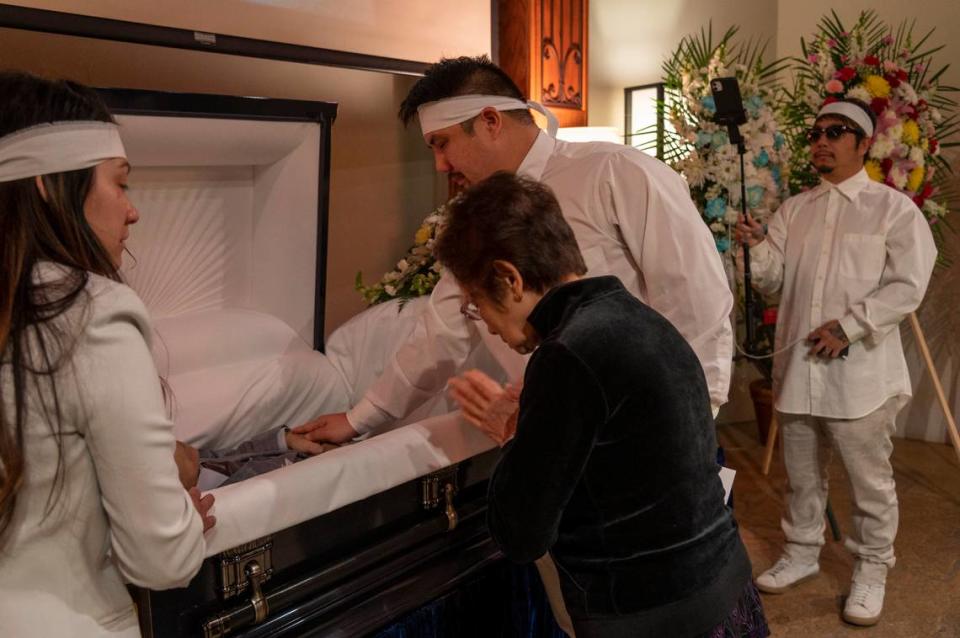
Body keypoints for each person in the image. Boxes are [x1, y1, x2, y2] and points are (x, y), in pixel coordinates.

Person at [293, 55, 733, 445]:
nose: (440, 166)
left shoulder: (616, 173)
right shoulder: (476, 219)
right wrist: (358, 419)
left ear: (489, 121)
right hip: (556, 438)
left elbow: (695, 302)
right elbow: (438, 336)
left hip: (649, 426)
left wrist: (691, 421)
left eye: (441, 143)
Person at [436, 172, 767, 638]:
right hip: (725, 589)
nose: (486, 325)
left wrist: (513, 439)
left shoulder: (567, 354)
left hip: (653, 616)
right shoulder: (640, 317)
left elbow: (520, 534)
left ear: (508, 279)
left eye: (475, 304)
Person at [0, 71, 214, 637]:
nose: (132, 210)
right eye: (120, 183)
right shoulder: (91, 312)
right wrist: (183, 521)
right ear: (49, 185)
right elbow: (160, 559)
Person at [736, 98, 936, 626]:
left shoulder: (893, 210)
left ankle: (872, 566)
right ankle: (802, 551)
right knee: (801, 475)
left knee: (869, 480)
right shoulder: (794, 210)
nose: (822, 139)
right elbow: (773, 280)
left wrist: (849, 326)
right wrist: (757, 246)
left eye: (837, 131)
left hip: (862, 376)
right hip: (799, 370)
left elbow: (909, 284)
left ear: (865, 143)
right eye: (818, 131)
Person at [174, 427, 337, 490]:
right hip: (314, 475)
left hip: (309, 453)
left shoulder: (201, 461)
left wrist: (286, 440)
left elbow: (239, 454)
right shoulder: (221, 500)